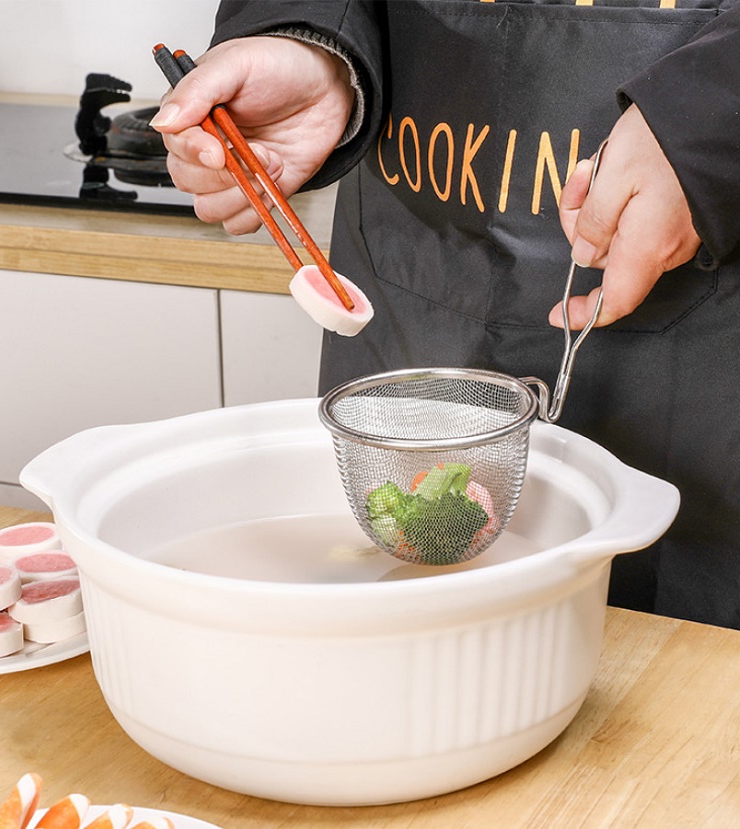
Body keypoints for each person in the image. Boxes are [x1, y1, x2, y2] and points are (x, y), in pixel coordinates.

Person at [152, 1, 740, 628]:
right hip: (411, 249)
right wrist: (307, 37)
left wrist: (707, 117)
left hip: (701, 324)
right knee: (388, 616)